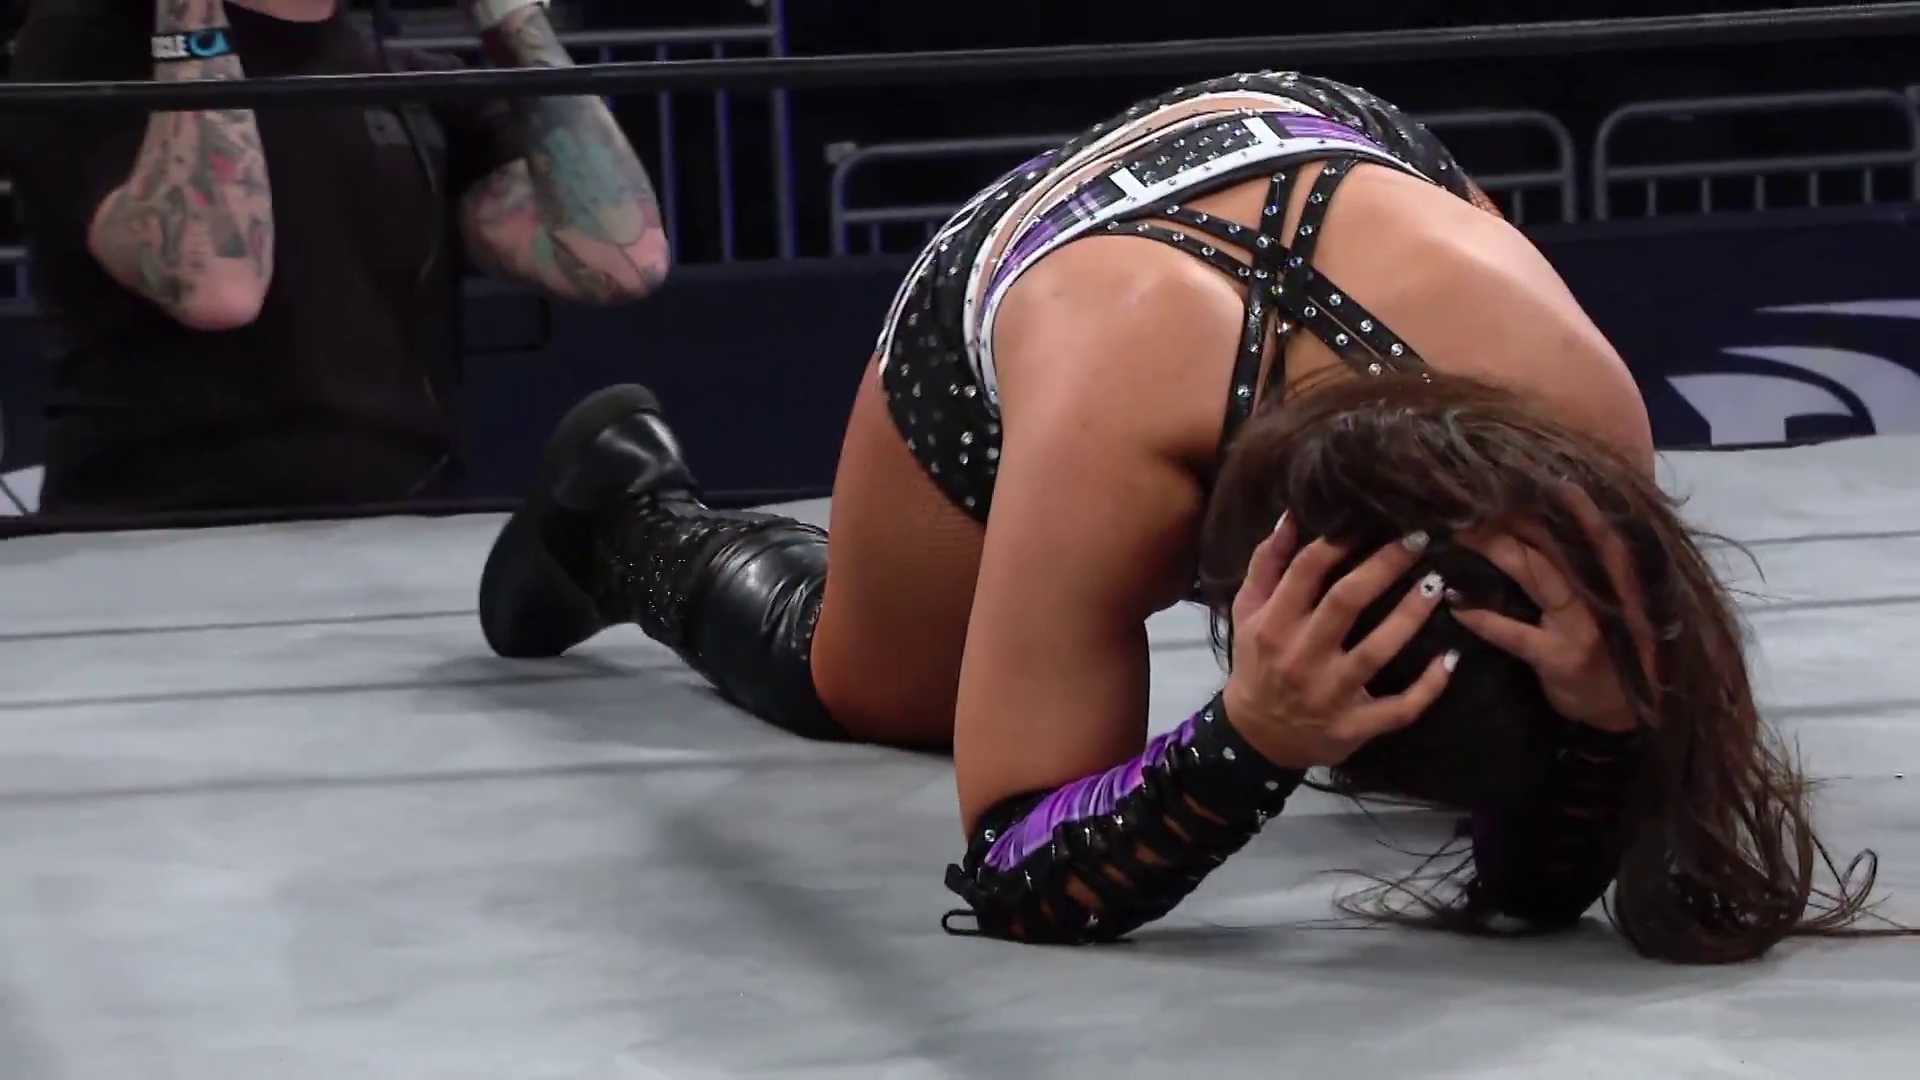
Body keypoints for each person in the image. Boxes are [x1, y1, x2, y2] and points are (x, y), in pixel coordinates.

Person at [476, 72, 1897, 963]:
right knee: (873, 688)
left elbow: (1547, 889)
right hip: (1053, 251)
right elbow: (1016, 861)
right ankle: (624, 512)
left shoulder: (1578, 420)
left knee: (1504, 711)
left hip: (1347, 154)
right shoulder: (1116, 419)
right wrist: (1250, 739)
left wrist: (1608, 711)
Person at [5, 0, 669, 514]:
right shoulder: (83, 46)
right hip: (153, 549)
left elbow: (621, 260)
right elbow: (215, 285)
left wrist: (511, 17)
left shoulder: (409, 86)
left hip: (389, 544)